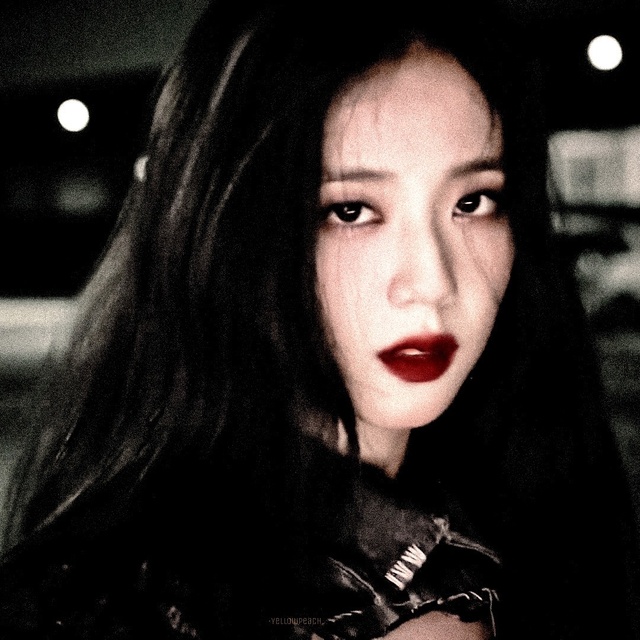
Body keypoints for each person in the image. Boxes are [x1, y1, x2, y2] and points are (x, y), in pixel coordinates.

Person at [0, 0, 638, 638]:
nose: (433, 284)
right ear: (223, 232)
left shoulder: (534, 508)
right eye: (351, 210)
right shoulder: (128, 603)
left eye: (473, 202)